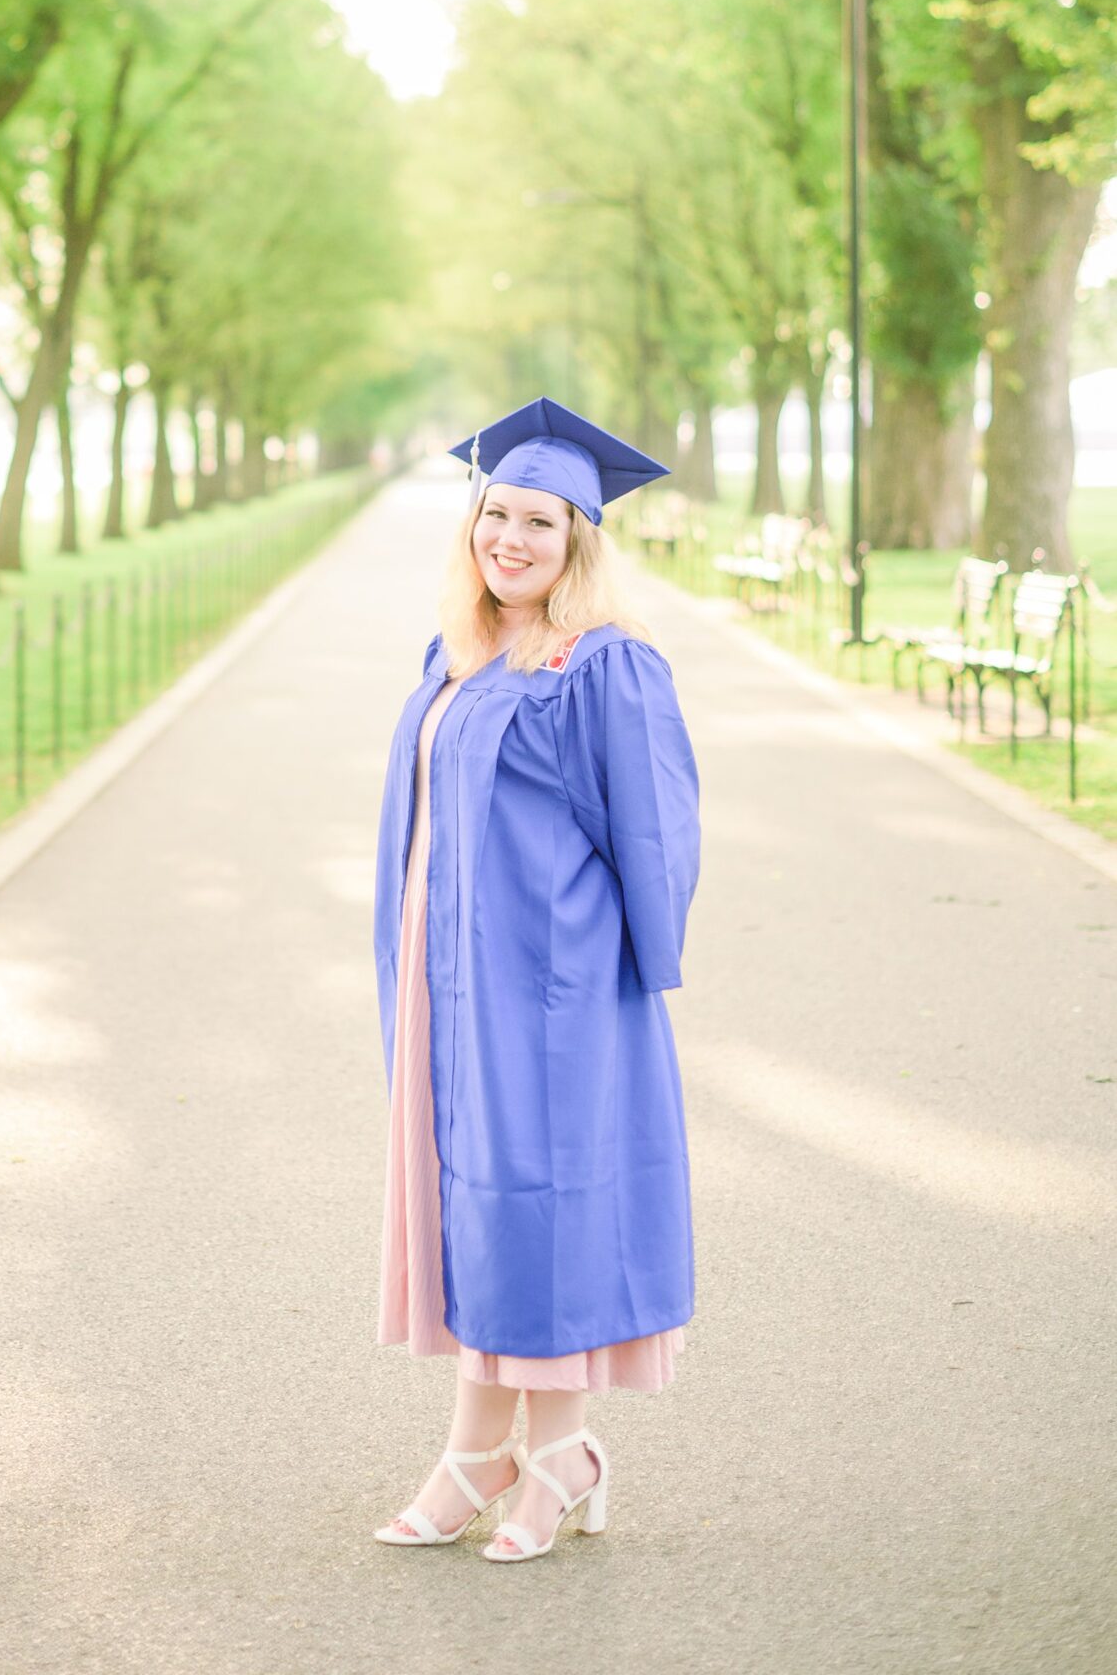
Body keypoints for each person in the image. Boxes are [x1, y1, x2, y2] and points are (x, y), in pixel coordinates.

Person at [372, 396, 701, 1562]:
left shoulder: (606, 663)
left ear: (578, 541)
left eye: (538, 524)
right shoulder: (457, 652)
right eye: (492, 515)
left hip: (552, 992)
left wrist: (617, 986)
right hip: (449, 984)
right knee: (478, 1207)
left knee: (543, 1207)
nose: (507, 540)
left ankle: (547, 1454)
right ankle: (487, 1449)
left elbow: (654, 831)